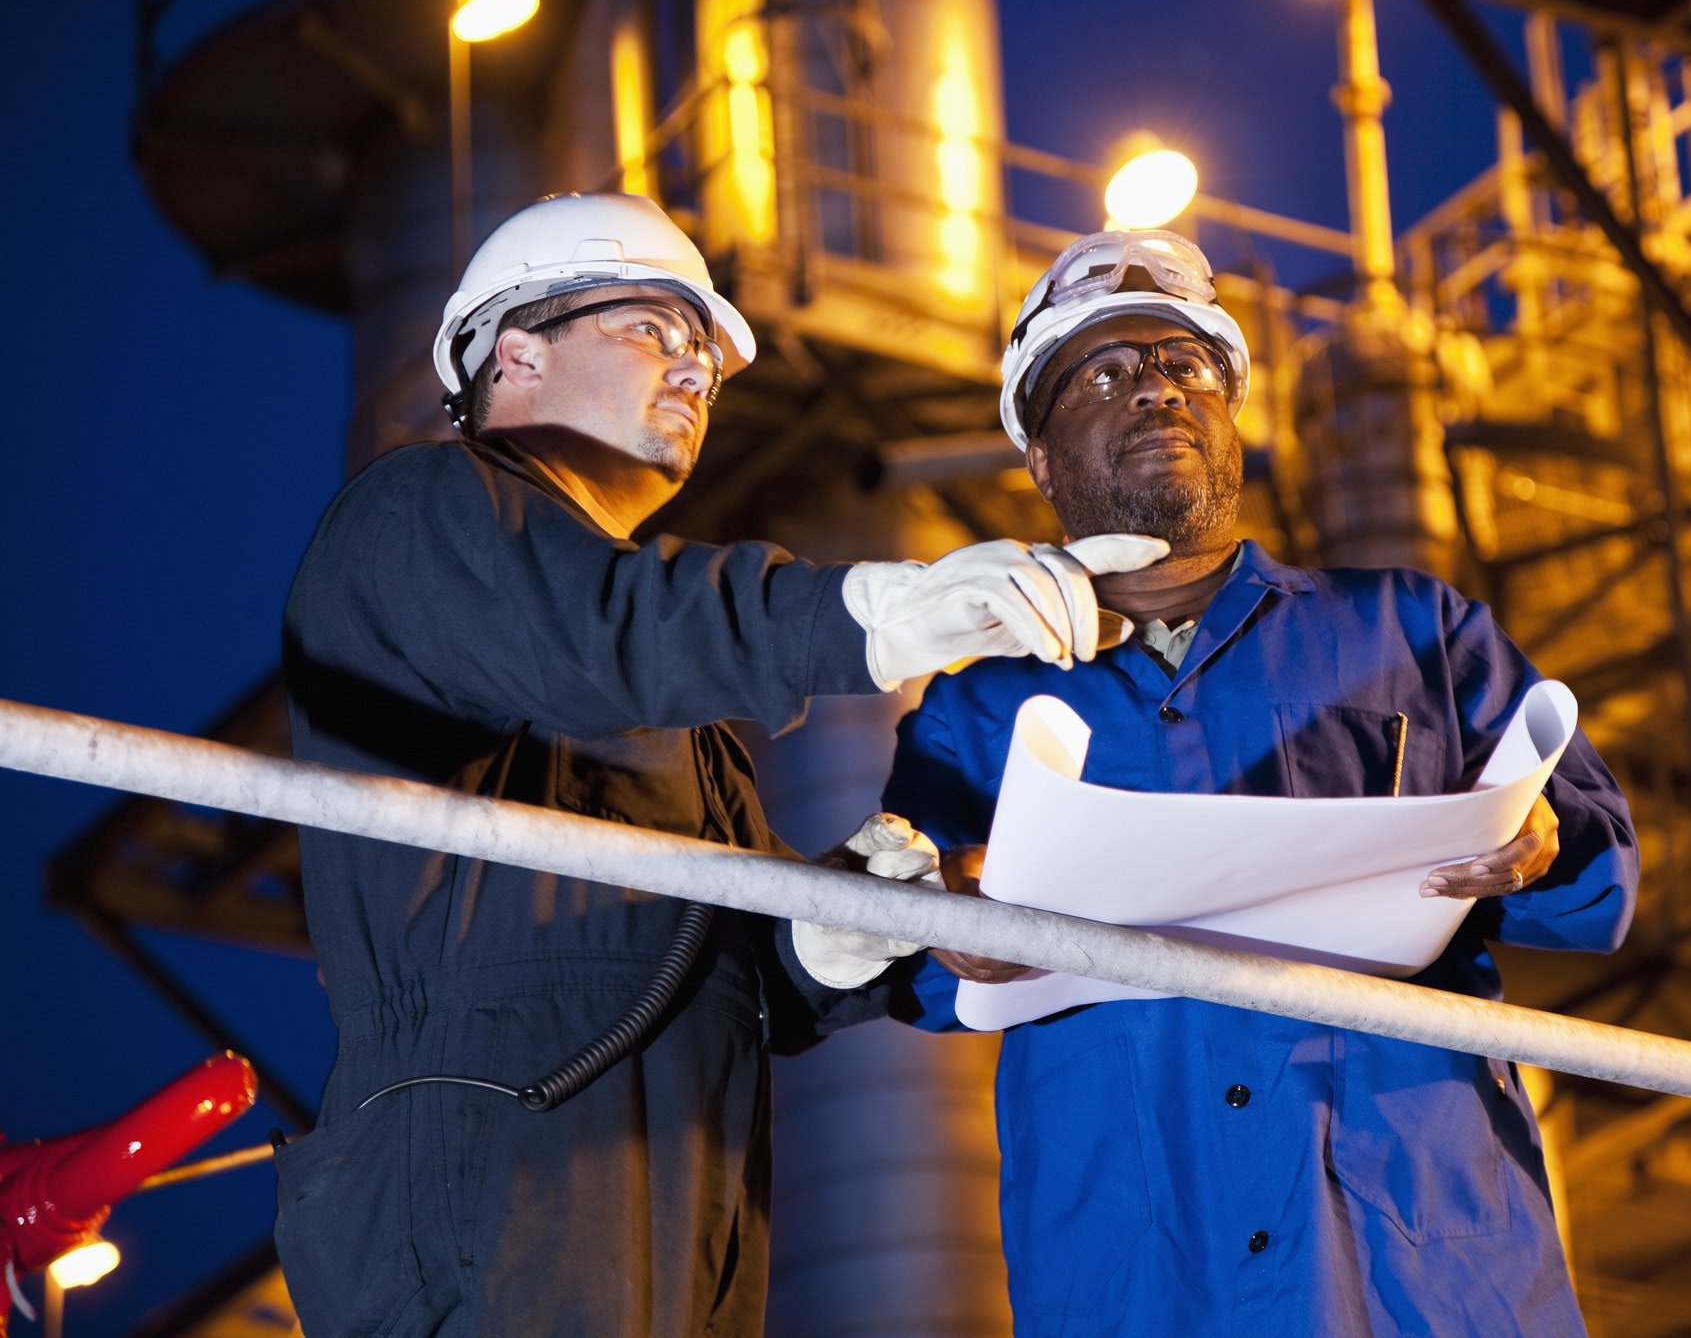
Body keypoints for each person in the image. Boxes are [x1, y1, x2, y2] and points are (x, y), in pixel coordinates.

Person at [274, 193, 1163, 1338]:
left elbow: (686, 959)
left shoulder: (661, 698)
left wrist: (823, 936)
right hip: (483, 1149)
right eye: (654, 328)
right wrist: (881, 610)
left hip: (670, 1164)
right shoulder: (423, 513)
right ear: (517, 351)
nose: (697, 369)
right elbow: (615, 635)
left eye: (708, 351)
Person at [881, 230, 1639, 1336]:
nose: (1157, 390)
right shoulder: (972, 713)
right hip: (1144, 1278)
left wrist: (1540, 843)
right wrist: (949, 927)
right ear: (1040, 458)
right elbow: (898, 969)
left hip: (1419, 1263)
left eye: (1185, 366)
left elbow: (1599, 884)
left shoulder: (1410, 632)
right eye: (1105, 374)